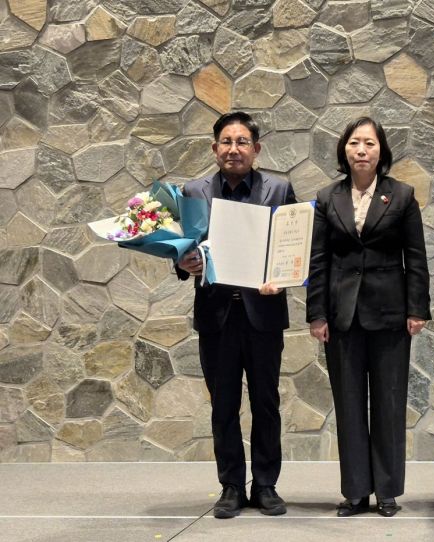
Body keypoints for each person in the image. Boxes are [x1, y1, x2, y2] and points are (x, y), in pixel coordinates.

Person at [306, 117, 431, 517]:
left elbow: (416, 257)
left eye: (370, 144)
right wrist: (317, 314)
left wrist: (417, 309)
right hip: (342, 317)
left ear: (382, 151)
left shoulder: (403, 195)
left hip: (391, 314)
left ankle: (388, 491)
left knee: (390, 403)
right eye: (355, 143)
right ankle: (356, 491)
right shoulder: (327, 198)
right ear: (344, 149)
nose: (362, 150)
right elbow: (319, 260)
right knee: (349, 404)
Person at [176, 112, 296, 519]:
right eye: (226, 141)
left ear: (256, 149)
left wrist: (281, 276)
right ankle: (230, 485)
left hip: (263, 313)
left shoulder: (278, 188)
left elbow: (291, 247)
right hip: (217, 315)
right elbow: (183, 250)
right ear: (214, 148)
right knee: (223, 405)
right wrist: (185, 263)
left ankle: (265, 485)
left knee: (266, 403)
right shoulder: (193, 191)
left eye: (242, 141)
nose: (233, 149)